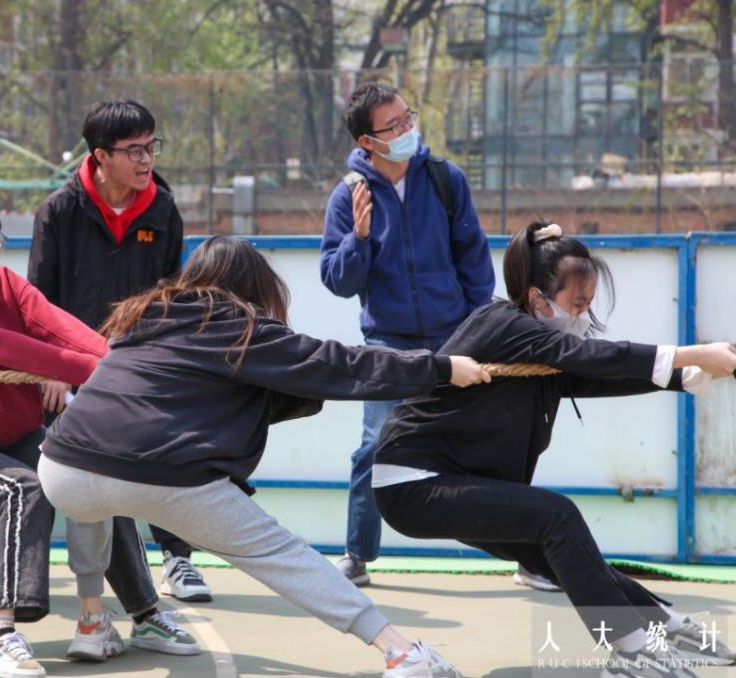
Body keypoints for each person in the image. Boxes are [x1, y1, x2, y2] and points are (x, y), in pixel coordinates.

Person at [37, 235, 493, 678]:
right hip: (165, 477)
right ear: (252, 285)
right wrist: (440, 368)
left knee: (93, 488)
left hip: (61, 466)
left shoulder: (141, 317)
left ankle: (91, 620)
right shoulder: (238, 325)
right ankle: (400, 651)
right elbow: (338, 363)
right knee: (279, 553)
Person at [373, 222, 736, 676]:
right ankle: (632, 651)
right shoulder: (504, 325)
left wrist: (684, 377)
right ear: (538, 299)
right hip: (413, 482)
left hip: (440, 482)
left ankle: (665, 626)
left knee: (557, 550)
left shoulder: (539, 349)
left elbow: (596, 376)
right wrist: (694, 354)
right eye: (577, 303)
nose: (583, 316)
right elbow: (596, 358)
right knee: (557, 516)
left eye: (588, 304)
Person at [0, 193, 196, 678]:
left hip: (17, 434)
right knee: (25, 488)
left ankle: (144, 615)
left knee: (95, 475)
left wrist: (121, 365)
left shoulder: (6, 284)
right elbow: (4, 347)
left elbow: (60, 328)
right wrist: (103, 373)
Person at [29, 99, 211, 605]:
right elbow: (38, 300)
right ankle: (50, 587)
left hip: (139, 363)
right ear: (100, 156)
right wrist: (51, 366)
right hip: (72, 368)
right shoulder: (58, 211)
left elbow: (170, 292)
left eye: (151, 146)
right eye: (133, 149)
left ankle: (178, 558)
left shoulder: (162, 210)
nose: (146, 158)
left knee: (165, 453)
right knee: (71, 474)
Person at [319, 82, 497, 588]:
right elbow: (337, 280)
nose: (406, 130)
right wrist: (359, 239)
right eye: (392, 125)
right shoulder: (348, 195)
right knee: (375, 444)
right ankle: (358, 553)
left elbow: (473, 257)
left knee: (489, 440)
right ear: (367, 141)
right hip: (388, 343)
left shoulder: (445, 178)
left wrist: (475, 326)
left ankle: (529, 552)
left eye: (407, 118)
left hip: (455, 336)